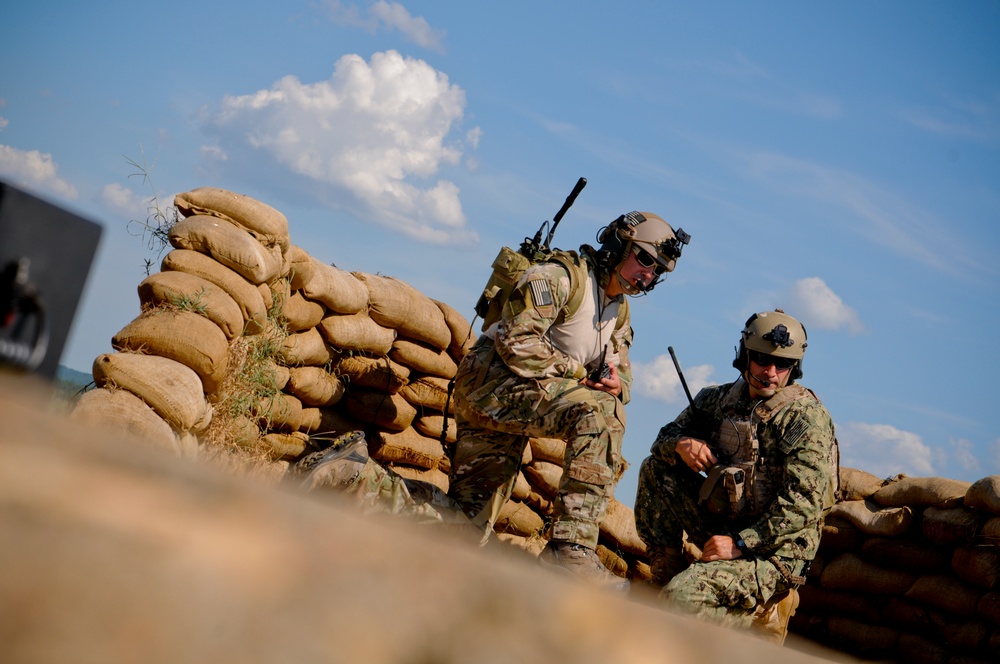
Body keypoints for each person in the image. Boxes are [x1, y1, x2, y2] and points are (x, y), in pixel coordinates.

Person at [446, 211, 690, 590]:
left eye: (658, 270)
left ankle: (357, 476)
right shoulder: (560, 278)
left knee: (461, 528)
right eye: (644, 259)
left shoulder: (619, 311)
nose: (649, 274)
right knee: (601, 414)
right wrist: (581, 376)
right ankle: (570, 547)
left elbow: (622, 373)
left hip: (525, 402)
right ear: (618, 245)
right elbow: (516, 341)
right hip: (490, 390)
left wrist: (614, 383)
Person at [633, 309, 839, 639]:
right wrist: (682, 444)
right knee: (656, 469)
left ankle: (762, 619)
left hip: (773, 554)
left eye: (782, 364)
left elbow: (803, 508)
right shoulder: (716, 400)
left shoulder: (805, 419)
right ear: (745, 355)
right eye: (761, 359)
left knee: (680, 600)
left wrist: (742, 544)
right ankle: (664, 576)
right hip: (725, 527)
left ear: (794, 367)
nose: (770, 372)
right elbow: (662, 440)